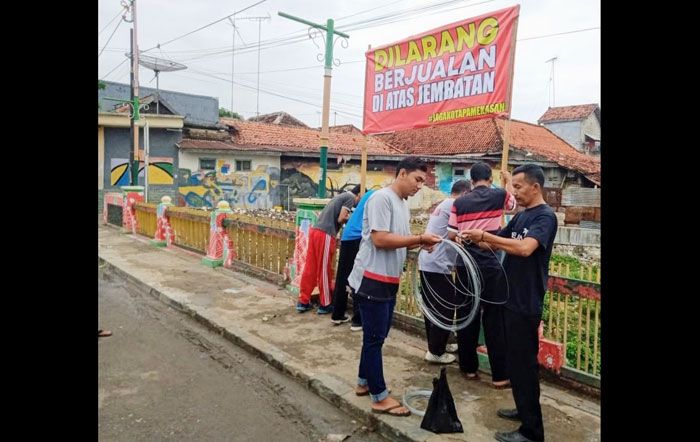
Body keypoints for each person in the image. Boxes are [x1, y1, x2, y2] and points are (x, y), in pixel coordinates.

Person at [459, 164, 557, 442]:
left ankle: (531, 431)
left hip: (525, 303)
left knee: (524, 365)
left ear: (535, 187)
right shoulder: (522, 216)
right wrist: (473, 237)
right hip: (509, 298)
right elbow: (497, 241)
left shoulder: (545, 217)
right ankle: (524, 410)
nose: (514, 191)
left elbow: (525, 248)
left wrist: (486, 237)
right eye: (513, 186)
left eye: (518, 186)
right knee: (515, 363)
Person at [347, 156, 442, 417]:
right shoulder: (382, 199)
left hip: (387, 278)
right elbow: (380, 239)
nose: (419, 186)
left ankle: (363, 382)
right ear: (402, 174)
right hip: (372, 277)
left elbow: (397, 239)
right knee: (375, 338)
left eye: (423, 181)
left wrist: (420, 242)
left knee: (374, 337)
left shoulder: (400, 204)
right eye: (417, 179)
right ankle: (379, 396)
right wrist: (419, 237)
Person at [447, 162, 516, 389]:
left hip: (465, 264)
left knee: (467, 314)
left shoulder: (459, 202)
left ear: (471, 178)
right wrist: (507, 181)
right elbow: (513, 204)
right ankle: (500, 376)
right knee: (494, 318)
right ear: (490, 177)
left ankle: (468, 369)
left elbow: (451, 233)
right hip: (490, 263)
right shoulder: (499, 196)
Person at [418, 179, 471, 364]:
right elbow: (461, 233)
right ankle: (436, 352)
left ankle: (439, 344)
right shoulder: (455, 204)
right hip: (438, 264)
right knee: (445, 308)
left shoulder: (444, 204)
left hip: (429, 261)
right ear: (465, 194)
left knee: (432, 308)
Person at [297, 185, 361, 314]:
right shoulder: (350, 198)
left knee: (311, 267)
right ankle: (325, 304)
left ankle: (303, 301)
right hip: (326, 234)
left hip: (315, 231)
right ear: (359, 194)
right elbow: (341, 218)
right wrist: (354, 219)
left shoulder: (341, 195)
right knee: (324, 269)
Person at [330, 188, 377, 329]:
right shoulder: (380, 196)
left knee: (343, 276)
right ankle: (358, 319)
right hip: (357, 237)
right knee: (359, 276)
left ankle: (337, 314)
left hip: (348, 235)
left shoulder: (370, 194)